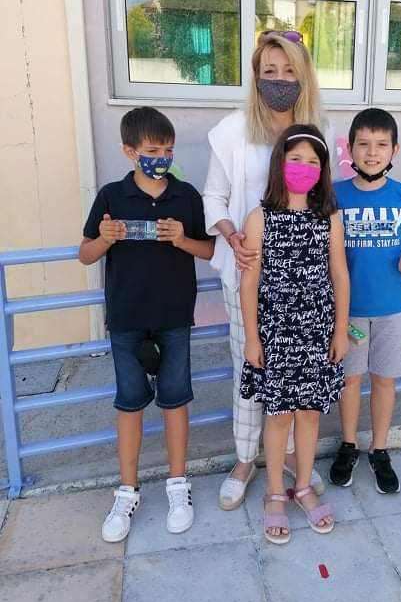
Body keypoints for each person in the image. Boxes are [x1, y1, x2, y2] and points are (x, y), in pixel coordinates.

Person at [203, 32, 332, 510]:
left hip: (303, 283)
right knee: (251, 364)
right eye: (269, 71)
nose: (279, 79)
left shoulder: (318, 129)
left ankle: (292, 457)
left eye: (289, 70)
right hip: (250, 272)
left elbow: (330, 195)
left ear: (304, 75)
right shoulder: (233, 130)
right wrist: (230, 233)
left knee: (296, 373)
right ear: (256, 76)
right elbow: (213, 197)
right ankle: (244, 460)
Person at [79, 107, 214, 542]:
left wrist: (182, 239)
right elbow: (85, 254)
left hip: (175, 317)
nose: (162, 158)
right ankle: (127, 491)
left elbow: (209, 250)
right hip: (126, 319)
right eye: (153, 150)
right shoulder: (110, 196)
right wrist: (105, 240)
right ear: (129, 151)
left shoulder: (186, 196)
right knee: (130, 403)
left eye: (168, 150)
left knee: (175, 401)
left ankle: (178, 486)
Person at [240, 125, 349, 544]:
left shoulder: (329, 217)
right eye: (295, 159)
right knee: (279, 415)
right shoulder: (260, 218)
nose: (304, 167)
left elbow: (339, 275)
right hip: (276, 332)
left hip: (317, 331)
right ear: (279, 164)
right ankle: (274, 493)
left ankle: (302, 486)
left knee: (309, 413)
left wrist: (339, 330)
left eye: (313, 161)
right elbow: (249, 282)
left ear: (323, 170)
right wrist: (253, 338)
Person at [329, 108, 401, 494]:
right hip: (348, 310)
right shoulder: (334, 195)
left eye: (381, 145)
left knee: (385, 380)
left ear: (394, 150)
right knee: (349, 379)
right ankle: (348, 444)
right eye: (364, 144)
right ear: (350, 149)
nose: (372, 152)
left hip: (392, 309)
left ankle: (380, 448)